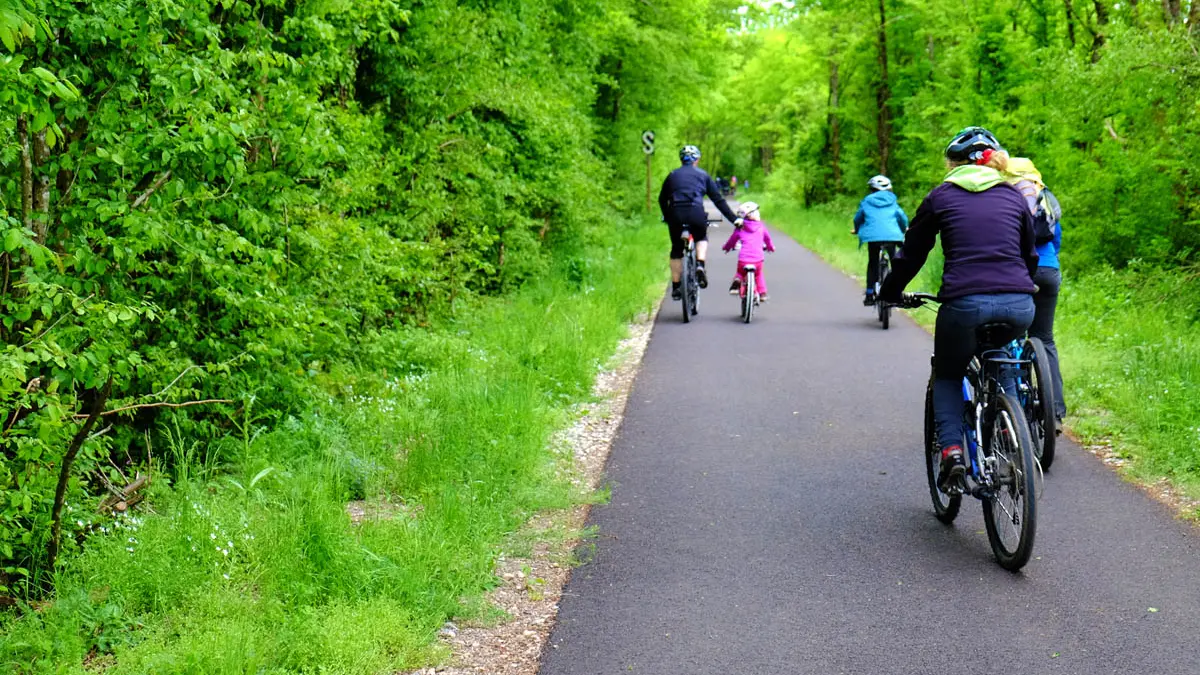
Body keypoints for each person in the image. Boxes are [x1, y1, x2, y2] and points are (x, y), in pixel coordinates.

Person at [879, 127, 1039, 491]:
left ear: (952, 164)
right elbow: (1029, 253)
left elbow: (911, 254)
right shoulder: (1014, 197)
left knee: (948, 374)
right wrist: (1021, 287)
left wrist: (890, 292)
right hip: (1019, 303)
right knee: (1003, 364)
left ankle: (952, 451)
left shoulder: (941, 197)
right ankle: (1014, 444)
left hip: (964, 304)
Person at [1003, 157, 1067, 434]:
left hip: (1019, 272)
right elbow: (1056, 239)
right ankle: (1054, 411)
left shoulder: (1005, 197)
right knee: (1045, 338)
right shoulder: (1044, 196)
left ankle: (1014, 407)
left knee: (1011, 336)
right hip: (1049, 270)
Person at [658, 145, 741, 300]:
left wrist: (667, 216)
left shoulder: (672, 175)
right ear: (697, 159)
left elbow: (662, 199)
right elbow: (718, 200)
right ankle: (700, 265)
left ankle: (676, 287)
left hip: (675, 214)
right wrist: (734, 219)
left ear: (681, 160)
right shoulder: (703, 175)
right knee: (701, 238)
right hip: (695, 213)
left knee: (676, 249)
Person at [852, 175, 909, 305]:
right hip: (892, 237)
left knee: (873, 263)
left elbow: (858, 218)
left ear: (872, 190)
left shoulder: (866, 201)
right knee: (896, 264)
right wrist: (904, 228)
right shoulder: (892, 201)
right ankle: (897, 292)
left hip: (873, 238)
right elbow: (901, 217)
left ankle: (869, 294)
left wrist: (856, 229)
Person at [722, 201, 775, 300]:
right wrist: (771, 247)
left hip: (743, 259)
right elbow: (767, 239)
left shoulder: (740, 228)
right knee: (758, 274)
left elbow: (732, 240)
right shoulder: (761, 227)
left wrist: (727, 247)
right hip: (758, 260)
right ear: (754, 214)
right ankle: (762, 293)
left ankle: (737, 280)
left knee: (740, 272)